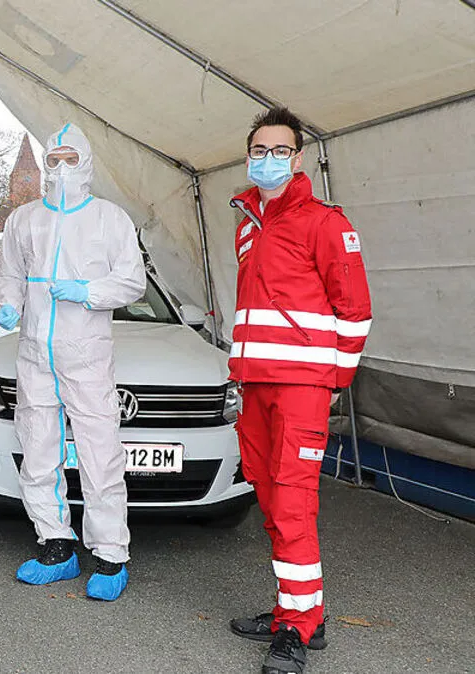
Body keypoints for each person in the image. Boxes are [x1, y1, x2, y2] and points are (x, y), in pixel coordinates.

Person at [226, 108, 372, 674]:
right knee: (268, 495)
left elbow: (355, 312)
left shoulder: (325, 223)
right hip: (256, 383)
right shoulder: (246, 221)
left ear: (298, 157)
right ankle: (297, 606)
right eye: (259, 149)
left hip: (301, 389)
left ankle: (297, 627)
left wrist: (331, 384)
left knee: (292, 501)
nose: (268, 159)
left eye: (279, 151)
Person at [0, 122, 145, 601]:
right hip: (35, 352)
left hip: (86, 356)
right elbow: (7, 271)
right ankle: (55, 543)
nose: (59, 169)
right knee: (37, 449)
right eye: (51, 160)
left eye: (69, 159)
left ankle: (111, 554)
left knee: (100, 455)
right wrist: (10, 301)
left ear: (87, 162)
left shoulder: (109, 219)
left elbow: (132, 282)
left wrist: (88, 292)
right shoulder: (24, 219)